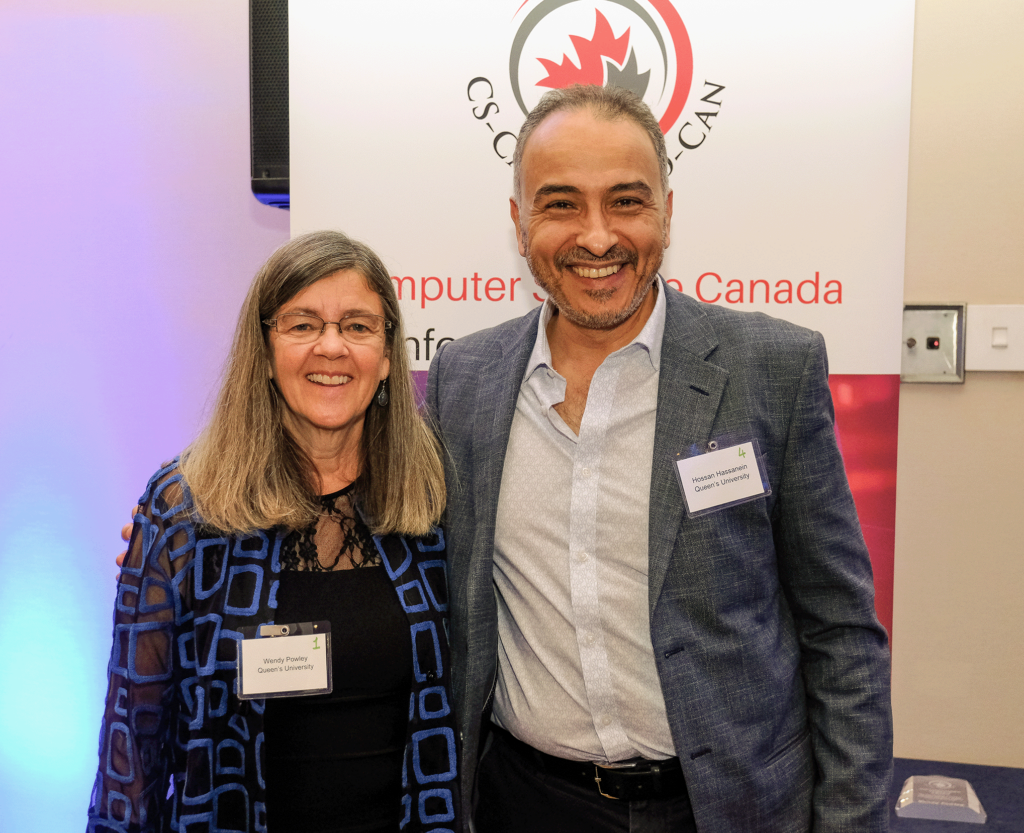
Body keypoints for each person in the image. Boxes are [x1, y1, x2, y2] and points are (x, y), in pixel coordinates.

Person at [426, 85, 893, 832]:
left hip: (728, 808)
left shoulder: (771, 367)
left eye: (627, 201)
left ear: (667, 213)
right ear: (519, 223)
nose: (599, 236)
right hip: (527, 802)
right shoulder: (465, 382)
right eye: (561, 204)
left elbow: (840, 632)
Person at [88, 231, 459, 833]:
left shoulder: (432, 503)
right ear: (263, 350)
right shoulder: (185, 512)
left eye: (358, 326)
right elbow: (134, 735)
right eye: (303, 324)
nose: (332, 347)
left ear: (389, 354)